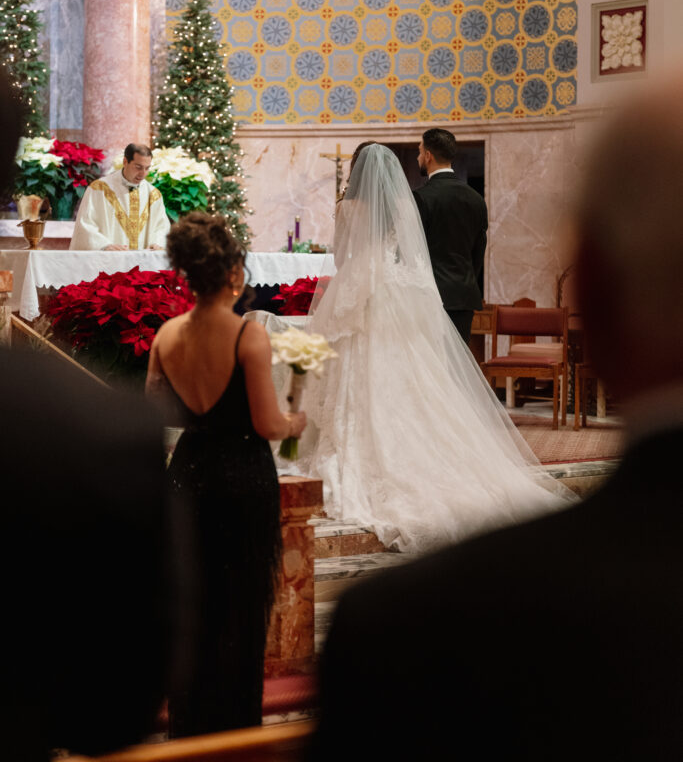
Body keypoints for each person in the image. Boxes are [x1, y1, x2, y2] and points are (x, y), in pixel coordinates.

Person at [311, 83, 683, 760]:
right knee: (438, 388)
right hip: (437, 297)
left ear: (595, 294)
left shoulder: (411, 620)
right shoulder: (475, 199)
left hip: (399, 298)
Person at [0, 67, 170, 761]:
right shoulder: (89, 433)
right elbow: (117, 702)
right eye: (138, 160)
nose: (141, 171)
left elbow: (156, 230)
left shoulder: (153, 195)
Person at [297, 143, 574, 554]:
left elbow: (342, 259)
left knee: (356, 369)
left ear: (355, 172)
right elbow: (412, 254)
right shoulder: (404, 203)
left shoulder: (348, 208)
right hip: (397, 291)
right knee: (412, 376)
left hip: (359, 291)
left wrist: (357, 272)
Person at [146, 212, 306, 737]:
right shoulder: (248, 337)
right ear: (233, 274)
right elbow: (267, 425)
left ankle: (187, 730)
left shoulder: (166, 336)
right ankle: (233, 735)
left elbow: (158, 411)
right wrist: (297, 420)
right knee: (239, 610)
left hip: (188, 476)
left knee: (193, 609)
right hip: (241, 480)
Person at [414, 127, 487, 344]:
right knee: (458, 367)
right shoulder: (476, 198)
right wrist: (465, 278)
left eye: (420, 152)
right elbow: (478, 250)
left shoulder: (421, 198)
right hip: (464, 296)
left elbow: (414, 249)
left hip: (430, 296)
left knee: (432, 366)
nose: (419, 157)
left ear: (428, 156)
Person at [70, 142, 170, 250]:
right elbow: (86, 225)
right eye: (138, 167)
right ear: (125, 162)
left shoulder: (153, 194)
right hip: (109, 262)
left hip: (143, 263)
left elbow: (161, 227)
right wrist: (104, 245)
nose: (143, 174)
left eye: (147, 168)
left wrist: (157, 243)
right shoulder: (99, 189)